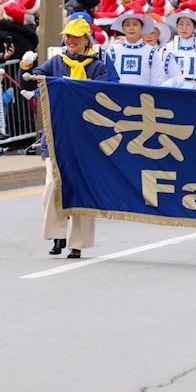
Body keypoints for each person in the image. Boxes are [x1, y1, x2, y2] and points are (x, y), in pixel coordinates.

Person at [25, 18, 119, 258]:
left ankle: (77, 243)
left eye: (76, 36)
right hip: (57, 134)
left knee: (83, 188)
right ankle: (57, 236)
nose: (71, 41)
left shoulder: (98, 66)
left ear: (87, 39)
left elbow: (108, 91)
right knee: (53, 185)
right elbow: (36, 77)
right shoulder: (57, 62)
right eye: (68, 36)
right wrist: (26, 68)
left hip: (87, 137)